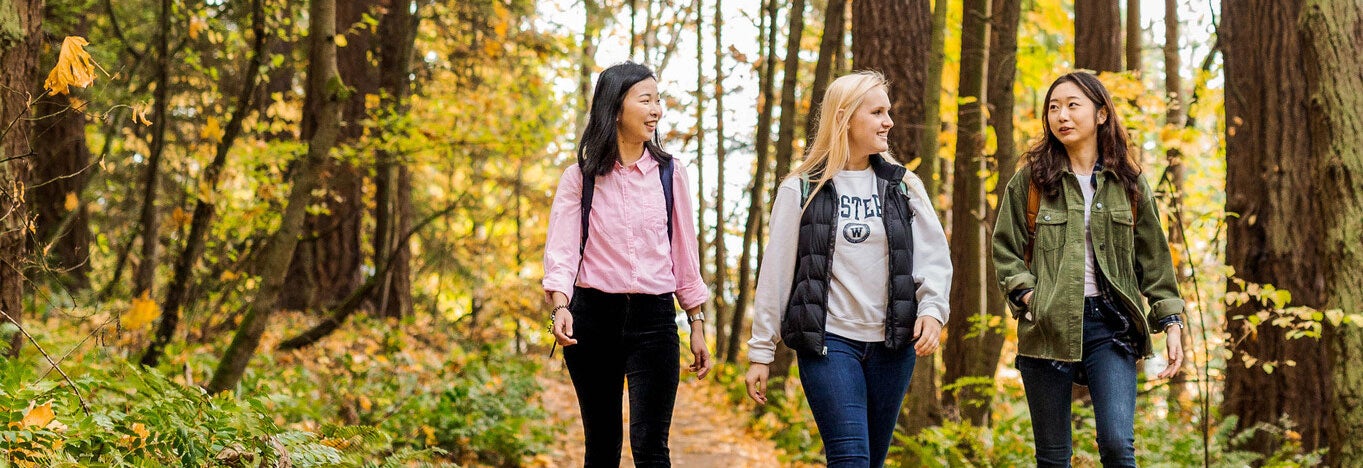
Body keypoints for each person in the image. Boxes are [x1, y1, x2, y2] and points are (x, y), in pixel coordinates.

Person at [743, 70, 953, 467]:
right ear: (844, 117)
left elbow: (934, 257)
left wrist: (932, 311)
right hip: (829, 342)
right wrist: (761, 352)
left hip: (893, 346)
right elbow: (777, 273)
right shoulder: (801, 188)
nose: (888, 121)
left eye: (887, 112)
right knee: (850, 456)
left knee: (871, 460)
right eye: (876, 112)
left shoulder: (903, 185)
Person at [991, 71, 1185, 468]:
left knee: (1116, 445)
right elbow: (1006, 251)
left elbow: (1155, 261)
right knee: (1053, 457)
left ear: (1100, 114)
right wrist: (1031, 298)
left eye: (1072, 105)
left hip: (1109, 326)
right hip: (1046, 327)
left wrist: (1172, 323)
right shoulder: (1030, 181)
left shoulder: (1128, 182)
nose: (1061, 115)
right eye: (1053, 107)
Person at [542, 61, 713, 467]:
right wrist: (561, 306)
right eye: (646, 100)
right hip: (592, 320)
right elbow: (562, 251)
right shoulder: (579, 178)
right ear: (616, 107)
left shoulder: (671, 174)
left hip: (655, 321)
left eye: (659, 100)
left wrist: (697, 324)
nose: (657, 110)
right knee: (601, 448)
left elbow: (684, 254)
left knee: (652, 447)